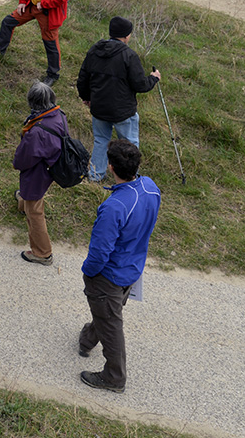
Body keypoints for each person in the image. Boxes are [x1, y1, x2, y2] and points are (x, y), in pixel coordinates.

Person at [79, 138, 161, 394]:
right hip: (132, 268)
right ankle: (87, 340)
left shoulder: (114, 206)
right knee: (108, 312)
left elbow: (99, 254)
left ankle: (114, 377)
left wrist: (88, 272)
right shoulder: (150, 187)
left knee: (111, 323)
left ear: (111, 168)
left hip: (109, 275)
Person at [76, 16, 162, 181]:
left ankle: (95, 175)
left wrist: (86, 97)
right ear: (126, 36)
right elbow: (140, 85)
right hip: (123, 111)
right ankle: (130, 176)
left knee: (101, 140)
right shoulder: (129, 55)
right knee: (129, 144)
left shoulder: (95, 50)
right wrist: (154, 78)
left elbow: (83, 78)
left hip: (99, 108)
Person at [11, 81, 66, 266]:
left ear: (32, 102)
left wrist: (16, 162)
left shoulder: (37, 132)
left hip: (37, 173)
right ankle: (22, 202)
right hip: (48, 168)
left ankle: (43, 253)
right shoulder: (58, 115)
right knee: (30, 196)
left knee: (35, 211)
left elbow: (23, 159)